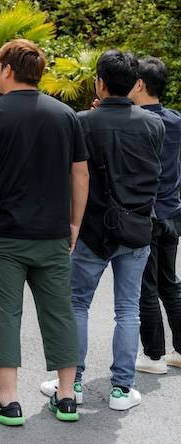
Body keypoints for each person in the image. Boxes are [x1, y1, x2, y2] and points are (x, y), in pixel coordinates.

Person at [0, 39, 89, 426]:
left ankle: (9, 401)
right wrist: (74, 224)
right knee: (60, 313)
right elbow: (80, 174)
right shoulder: (65, 114)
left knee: (3, 314)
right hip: (53, 234)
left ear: (7, 70)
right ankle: (67, 397)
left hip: (1, 234)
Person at [44, 50, 163, 412]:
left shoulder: (81, 122)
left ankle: (73, 383)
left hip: (91, 229)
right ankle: (121, 390)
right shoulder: (153, 124)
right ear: (135, 84)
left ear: (99, 82)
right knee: (128, 310)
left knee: (76, 304)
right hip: (136, 227)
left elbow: (68, 175)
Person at [129, 57, 181, 374]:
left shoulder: (135, 121)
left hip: (145, 215)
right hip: (173, 212)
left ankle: (153, 357)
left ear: (139, 84)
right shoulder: (176, 120)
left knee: (146, 287)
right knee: (169, 283)